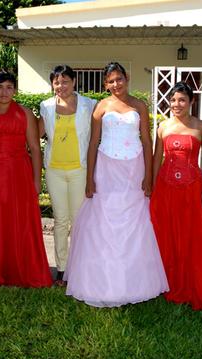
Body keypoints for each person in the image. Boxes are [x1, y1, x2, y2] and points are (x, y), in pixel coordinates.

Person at [64, 62, 168, 307]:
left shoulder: (140, 106)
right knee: (104, 222)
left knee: (135, 222)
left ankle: (134, 283)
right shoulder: (101, 107)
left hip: (134, 170)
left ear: (126, 78)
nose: (116, 84)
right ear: (105, 84)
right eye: (110, 81)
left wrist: (149, 176)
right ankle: (102, 283)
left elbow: (146, 142)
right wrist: (90, 178)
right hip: (107, 168)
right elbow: (92, 144)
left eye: (119, 79)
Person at [0, 72, 52, 287]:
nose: (4, 92)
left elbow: (34, 148)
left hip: (18, 172)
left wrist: (36, 180)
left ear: (15, 90)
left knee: (19, 219)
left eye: (8, 87)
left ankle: (20, 269)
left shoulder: (24, 113)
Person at [150, 81, 202, 311]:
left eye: (182, 100)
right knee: (167, 237)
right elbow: (157, 161)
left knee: (192, 239)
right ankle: (166, 285)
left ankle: (192, 286)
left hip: (191, 190)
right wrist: (153, 189)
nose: (176, 104)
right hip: (165, 190)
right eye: (173, 100)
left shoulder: (201, 126)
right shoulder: (162, 127)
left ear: (191, 102)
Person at [38, 65, 97, 286]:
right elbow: (34, 135)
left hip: (79, 170)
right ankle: (62, 270)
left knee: (79, 220)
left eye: (65, 81)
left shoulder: (89, 105)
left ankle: (80, 267)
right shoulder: (45, 106)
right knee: (60, 221)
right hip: (54, 170)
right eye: (56, 81)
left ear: (74, 82)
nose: (60, 86)